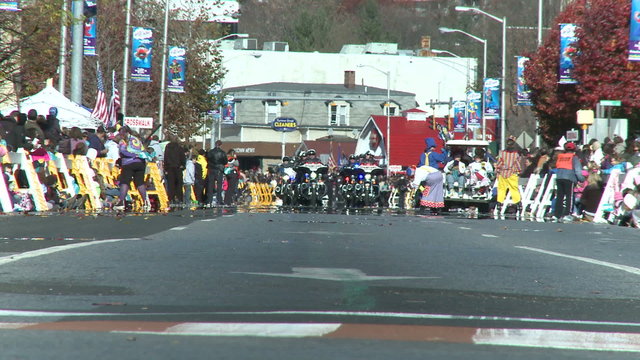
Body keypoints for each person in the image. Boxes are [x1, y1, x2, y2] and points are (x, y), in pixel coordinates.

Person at [114, 126, 152, 211]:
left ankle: (121, 201)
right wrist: (138, 155)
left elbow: (123, 152)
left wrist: (133, 155)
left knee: (125, 182)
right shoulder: (136, 140)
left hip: (129, 163)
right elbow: (143, 150)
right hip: (141, 163)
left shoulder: (123, 141)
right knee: (139, 183)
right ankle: (145, 201)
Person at [553, 141, 585, 222]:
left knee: (560, 197)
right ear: (574, 149)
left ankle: (557, 214)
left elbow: (557, 167)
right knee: (569, 197)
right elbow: (578, 171)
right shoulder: (574, 158)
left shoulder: (560, 157)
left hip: (559, 177)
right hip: (569, 178)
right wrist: (581, 179)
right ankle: (567, 214)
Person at [494, 138, 522, 213]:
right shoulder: (516, 154)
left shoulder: (502, 153)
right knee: (514, 188)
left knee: (501, 188)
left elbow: (500, 162)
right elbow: (517, 163)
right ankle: (518, 202)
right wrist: (519, 171)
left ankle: (500, 202)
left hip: (503, 172)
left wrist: (497, 170)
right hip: (512, 173)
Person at [163, 134, 186, 206]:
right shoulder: (180, 148)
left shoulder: (167, 147)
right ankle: (179, 198)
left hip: (170, 168)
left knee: (171, 184)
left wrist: (166, 167)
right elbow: (183, 157)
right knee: (179, 184)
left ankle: (171, 198)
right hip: (178, 167)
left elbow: (165, 157)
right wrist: (183, 165)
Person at [206, 140, 227, 206]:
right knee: (219, 186)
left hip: (211, 169)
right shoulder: (222, 153)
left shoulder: (210, 152)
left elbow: (208, 159)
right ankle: (219, 200)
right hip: (219, 170)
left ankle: (209, 200)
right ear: (220, 145)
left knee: (210, 185)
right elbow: (225, 161)